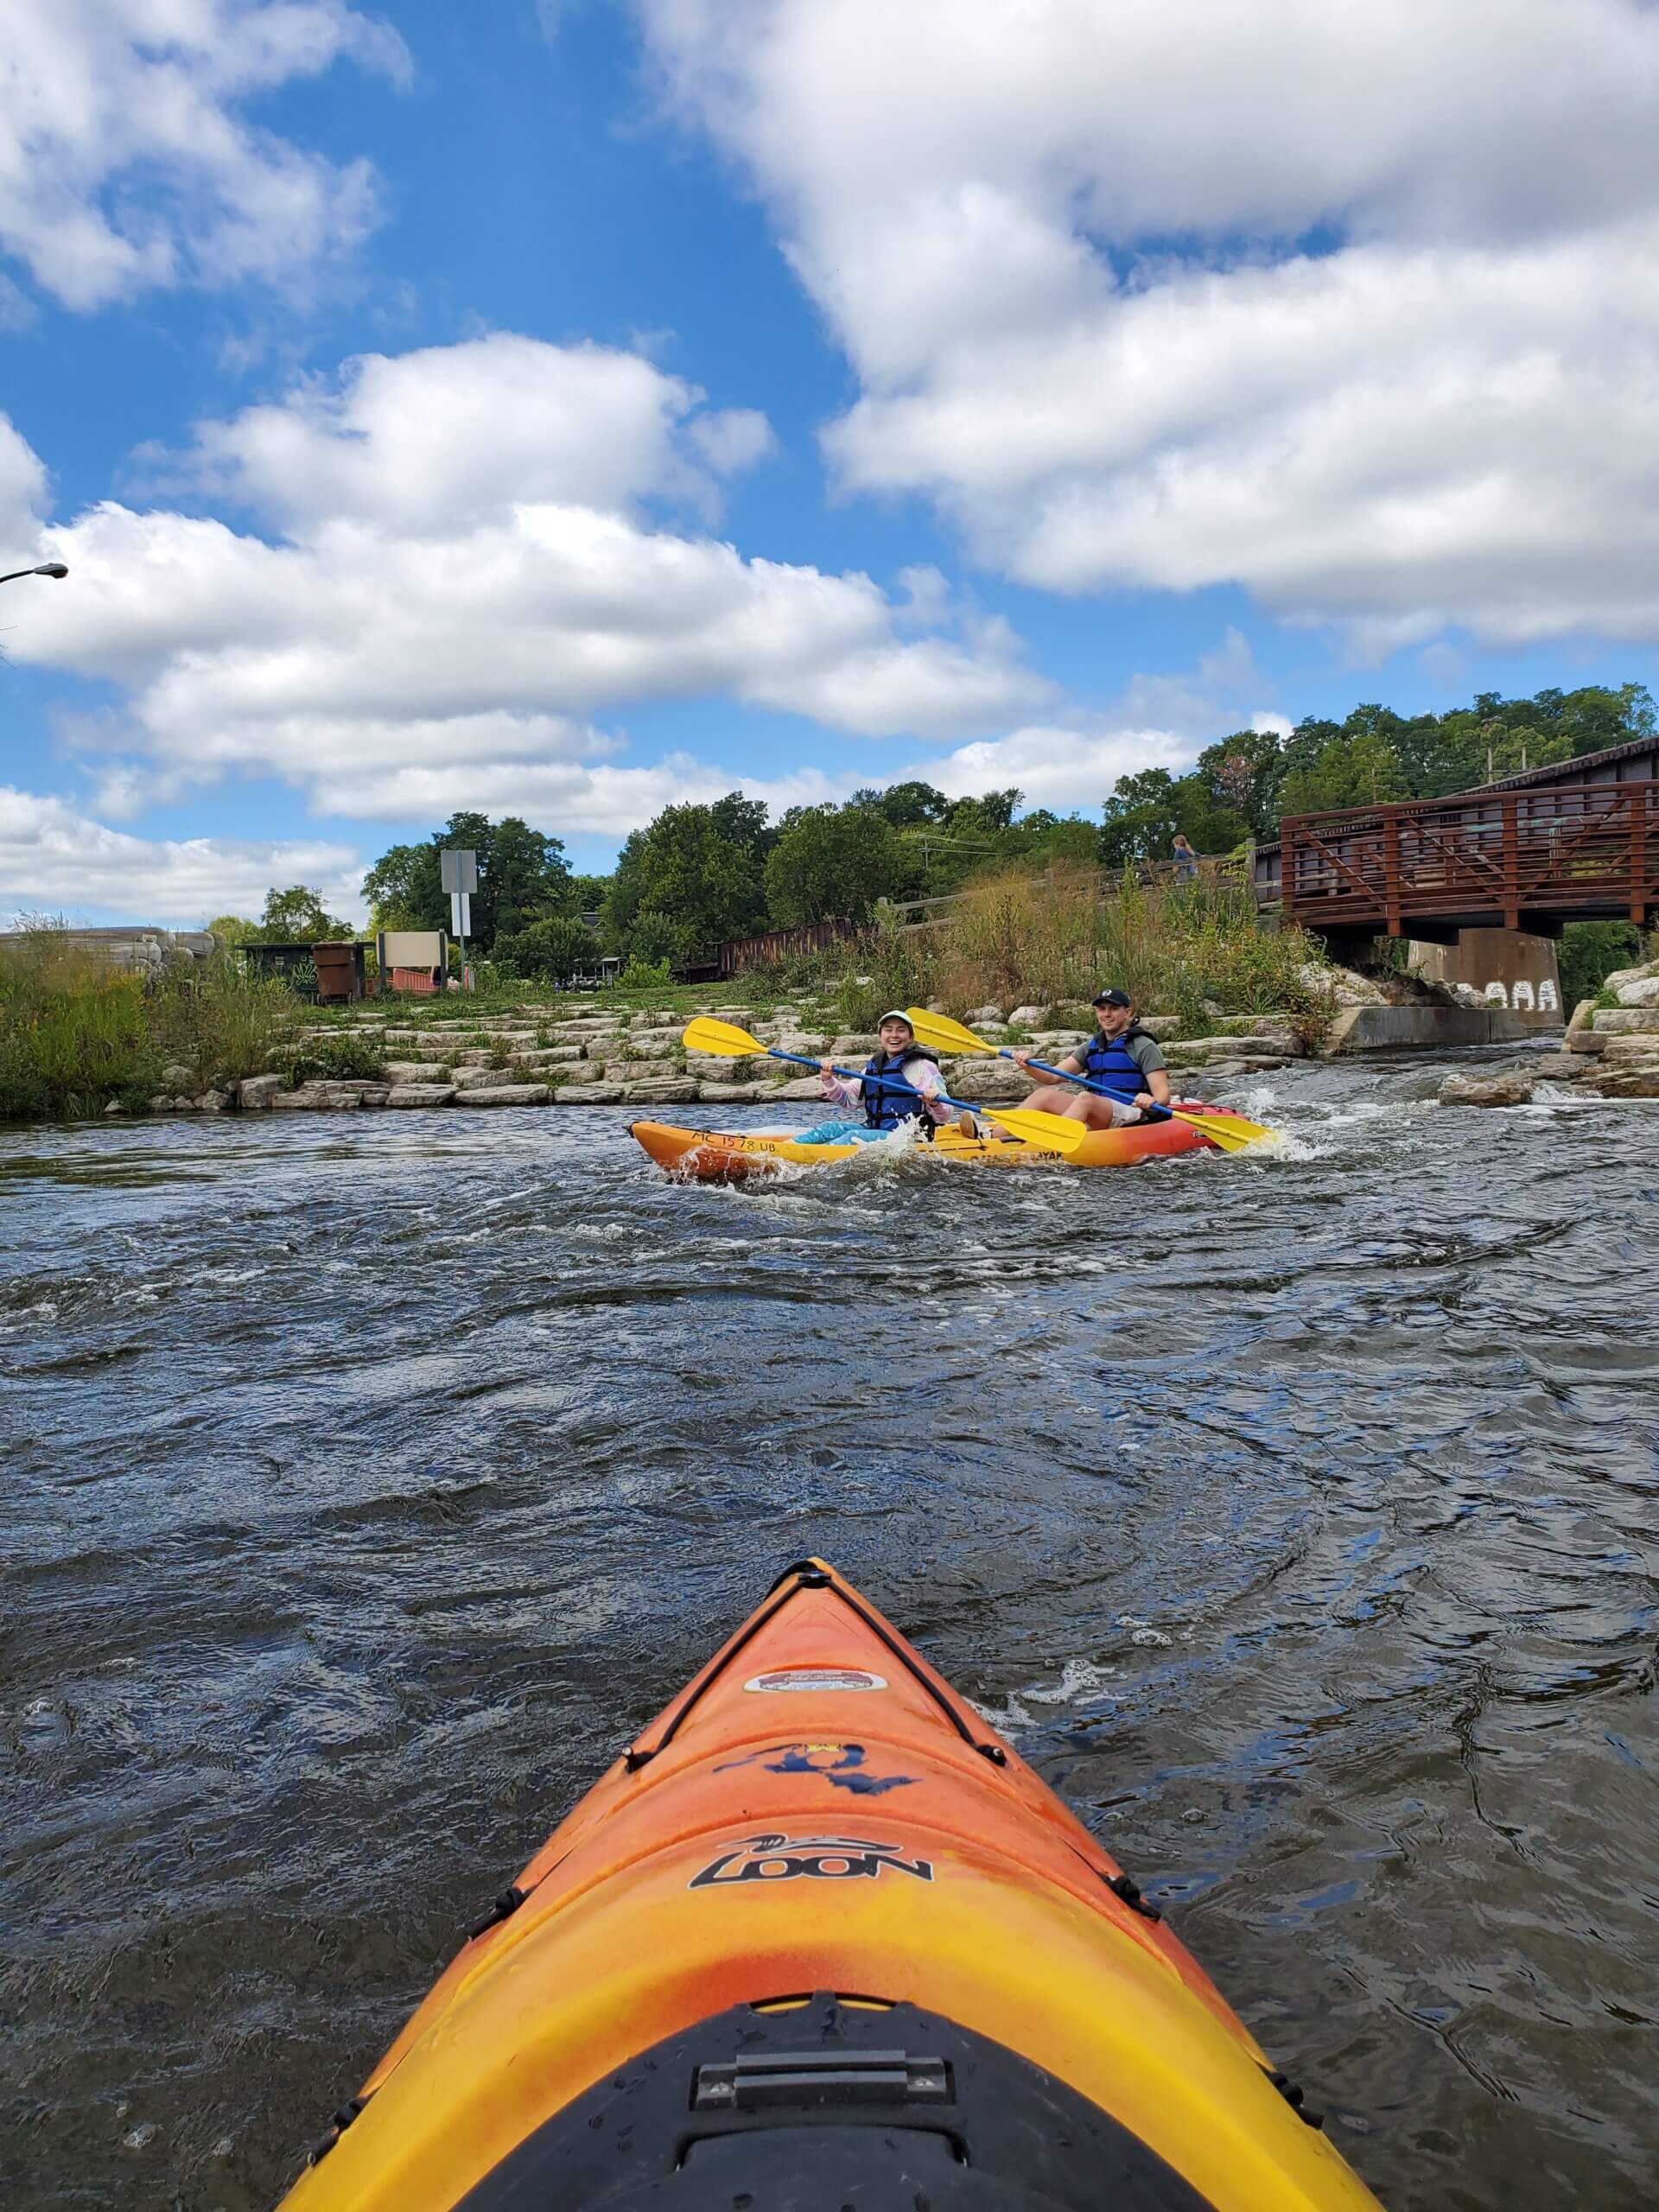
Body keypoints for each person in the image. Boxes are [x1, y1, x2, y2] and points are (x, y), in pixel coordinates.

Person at [1010, 988, 1172, 1128]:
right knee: (1043, 1095)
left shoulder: (1143, 1045)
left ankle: (1053, 1141)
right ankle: (990, 1138)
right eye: (1102, 1009)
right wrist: (1026, 1064)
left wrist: (1150, 1100)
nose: (1107, 1014)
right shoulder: (1092, 1046)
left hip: (1130, 1111)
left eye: (1113, 1009)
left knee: (1085, 1098)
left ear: (1127, 1012)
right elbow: (1052, 1076)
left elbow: (1163, 1095)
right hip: (1098, 1111)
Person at [805, 1010, 966, 1143]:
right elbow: (848, 1099)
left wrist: (935, 1102)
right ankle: (785, 1151)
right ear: (881, 1035)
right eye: (888, 1030)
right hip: (875, 1131)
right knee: (828, 1128)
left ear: (910, 1037)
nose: (894, 1035)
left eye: (901, 1030)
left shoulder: (923, 1067)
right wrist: (828, 1078)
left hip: (909, 1137)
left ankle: (806, 1158)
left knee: (851, 1137)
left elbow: (945, 1115)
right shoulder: (875, 1067)